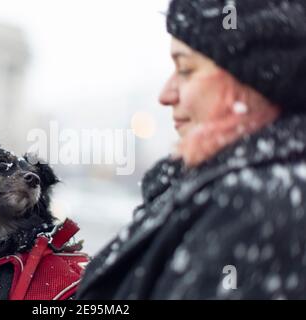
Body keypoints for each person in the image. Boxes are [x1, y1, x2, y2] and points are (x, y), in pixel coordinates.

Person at [76, 0, 306, 299]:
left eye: (186, 69)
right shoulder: (225, 189)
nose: (165, 94)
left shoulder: (255, 205)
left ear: (253, 80)